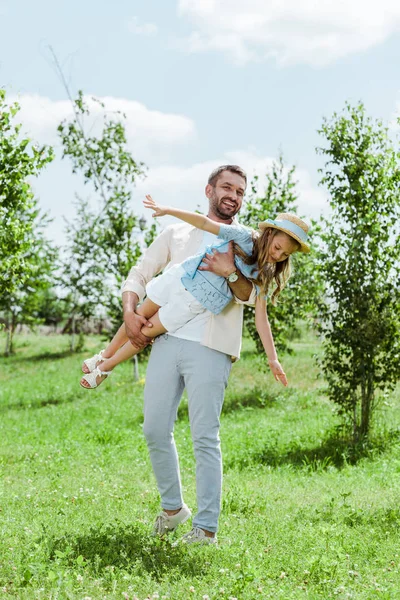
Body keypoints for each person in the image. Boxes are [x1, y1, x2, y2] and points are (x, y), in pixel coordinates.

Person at [83, 166, 310, 544]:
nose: (233, 195)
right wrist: (129, 311)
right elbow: (139, 274)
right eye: (226, 187)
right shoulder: (176, 233)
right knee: (155, 429)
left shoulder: (249, 248)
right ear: (209, 190)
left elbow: (251, 298)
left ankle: (205, 528)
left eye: (240, 191)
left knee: (204, 436)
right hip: (166, 341)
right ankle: (173, 510)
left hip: (212, 347)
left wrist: (230, 274)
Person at [80, 196, 309, 390]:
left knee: (146, 332)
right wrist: (167, 210)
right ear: (269, 235)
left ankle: (105, 369)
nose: (278, 256)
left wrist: (273, 358)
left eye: (285, 255)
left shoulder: (263, 274)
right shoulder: (243, 236)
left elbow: (262, 318)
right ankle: (104, 355)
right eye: (278, 248)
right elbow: (205, 223)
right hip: (180, 277)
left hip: (194, 302)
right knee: (138, 315)